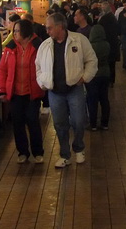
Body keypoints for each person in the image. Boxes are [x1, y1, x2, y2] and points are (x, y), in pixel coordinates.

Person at [36, 12, 97, 168]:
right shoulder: (45, 45)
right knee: (60, 124)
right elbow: (38, 67)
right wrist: (42, 81)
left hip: (74, 89)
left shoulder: (79, 40)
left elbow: (91, 60)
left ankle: (79, 148)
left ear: (60, 27)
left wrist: (84, 77)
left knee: (78, 121)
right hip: (55, 92)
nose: (47, 31)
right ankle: (64, 154)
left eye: (49, 28)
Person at [0, 20, 45, 163]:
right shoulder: (10, 49)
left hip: (33, 92)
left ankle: (38, 151)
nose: (14, 33)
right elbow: (2, 70)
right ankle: (22, 152)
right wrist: (2, 90)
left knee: (33, 120)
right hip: (16, 93)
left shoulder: (38, 46)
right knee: (18, 123)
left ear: (25, 31)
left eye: (17, 31)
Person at [87, 16, 112, 130]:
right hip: (105, 73)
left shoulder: (90, 46)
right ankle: (105, 123)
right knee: (104, 99)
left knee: (93, 99)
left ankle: (93, 124)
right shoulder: (106, 45)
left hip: (94, 74)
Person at [97, 0, 120, 79]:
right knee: (112, 63)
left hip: (107, 41)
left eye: (103, 7)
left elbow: (99, 27)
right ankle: (111, 79)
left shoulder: (105, 18)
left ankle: (109, 79)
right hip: (113, 42)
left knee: (108, 62)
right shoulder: (112, 17)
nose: (102, 8)